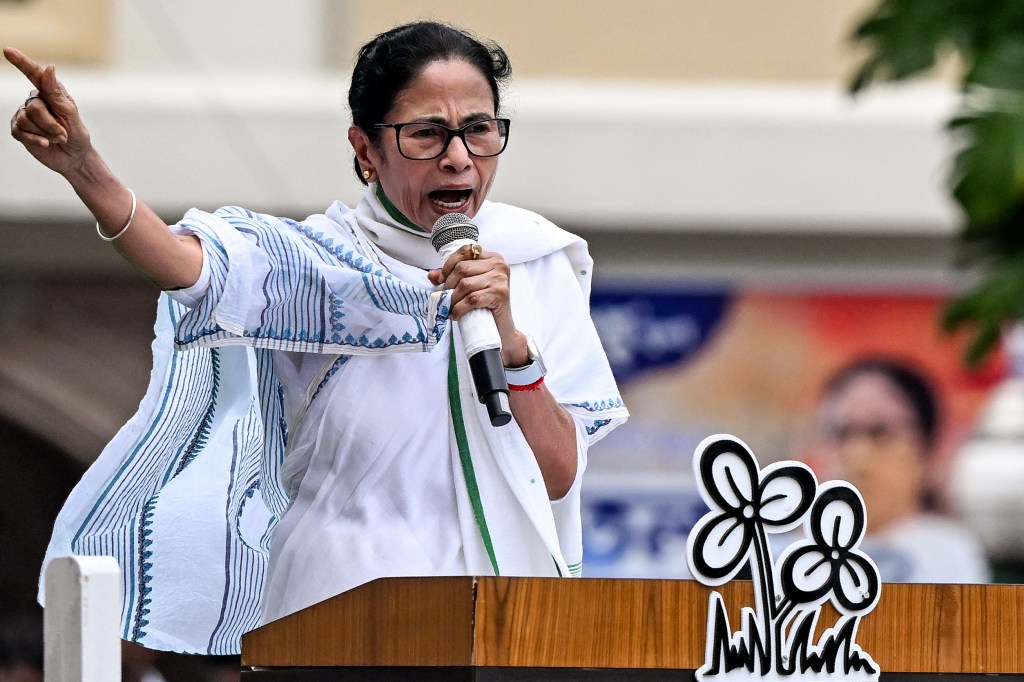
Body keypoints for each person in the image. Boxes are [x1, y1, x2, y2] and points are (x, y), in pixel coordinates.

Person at [5, 21, 627, 655]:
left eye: (479, 129)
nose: (459, 157)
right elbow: (185, 264)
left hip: (500, 620)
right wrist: (85, 169)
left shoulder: (536, 263)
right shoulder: (316, 266)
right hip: (340, 610)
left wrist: (512, 343)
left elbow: (556, 476)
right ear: (365, 149)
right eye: (426, 133)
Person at [812, 357, 989, 583]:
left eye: (880, 432)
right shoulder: (788, 554)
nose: (857, 455)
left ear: (927, 451)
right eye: (842, 432)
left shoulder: (947, 555)